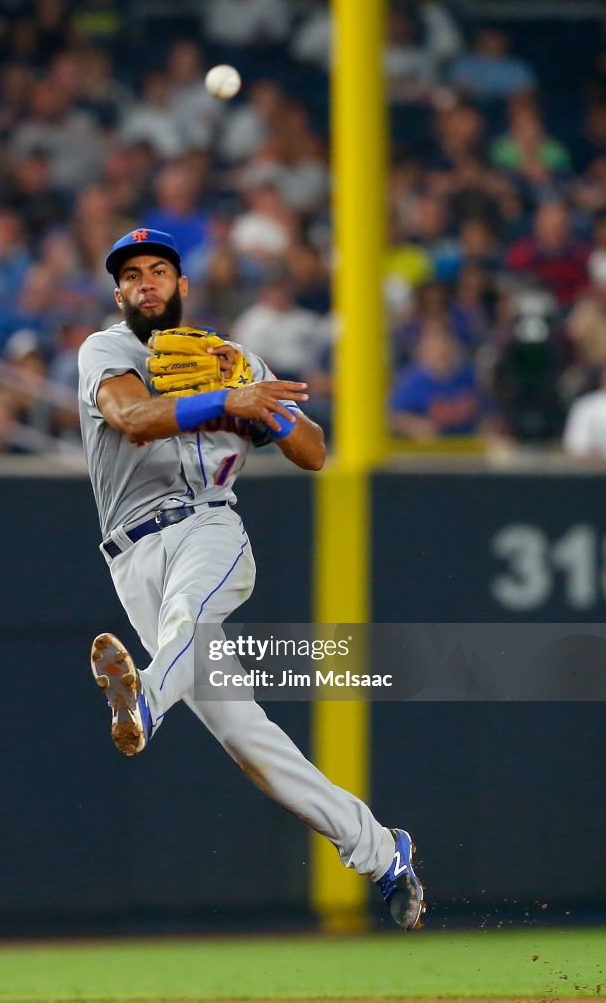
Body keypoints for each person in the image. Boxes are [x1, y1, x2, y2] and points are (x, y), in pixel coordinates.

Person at [77, 228, 425, 931]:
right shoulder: (107, 351)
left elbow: (313, 451)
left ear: (181, 286)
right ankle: (382, 851)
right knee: (248, 740)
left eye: (160, 271)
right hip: (130, 557)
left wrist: (245, 390)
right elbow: (130, 418)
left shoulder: (235, 363)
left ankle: (143, 704)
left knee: (186, 622)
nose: (147, 282)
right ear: (119, 292)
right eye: (133, 274)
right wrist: (222, 405)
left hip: (209, 529)